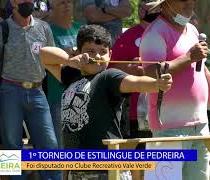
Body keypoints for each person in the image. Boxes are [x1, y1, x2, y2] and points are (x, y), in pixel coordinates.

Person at [40, 24, 173, 180]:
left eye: (103, 52)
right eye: (91, 51)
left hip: (108, 170)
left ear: (110, 55)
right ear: (79, 52)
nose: (97, 57)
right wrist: (70, 60)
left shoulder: (109, 77)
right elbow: (43, 54)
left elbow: (135, 82)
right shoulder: (71, 76)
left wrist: (156, 84)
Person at [139, 0, 210, 179]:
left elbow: (202, 70)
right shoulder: (154, 33)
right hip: (168, 127)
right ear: (165, 4)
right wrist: (188, 57)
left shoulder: (192, 29)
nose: (189, 2)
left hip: (200, 125)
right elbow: (151, 74)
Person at [0, 0, 61, 179]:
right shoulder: (1, 29)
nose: (28, 2)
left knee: (49, 144)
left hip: (37, 91)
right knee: (12, 146)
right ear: (13, 2)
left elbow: (53, 62)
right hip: (10, 91)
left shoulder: (44, 28)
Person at [108, 0, 159, 179]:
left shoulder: (170, 33)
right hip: (135, 113)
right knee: (135, 162)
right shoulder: (127, 37)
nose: (153, 7)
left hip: (165, 113)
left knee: (160, 164)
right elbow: (111, 72)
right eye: (147, 2)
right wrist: (130, 68)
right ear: (140, 10)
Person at [48, 0, 84, 150]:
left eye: (69, 2)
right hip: (58, 95)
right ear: (52, 8)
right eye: (62, 3)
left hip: (83, 96)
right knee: (61, 146)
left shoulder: (82, 29)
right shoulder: (47, 30)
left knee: (81, 144)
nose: (67, 5)